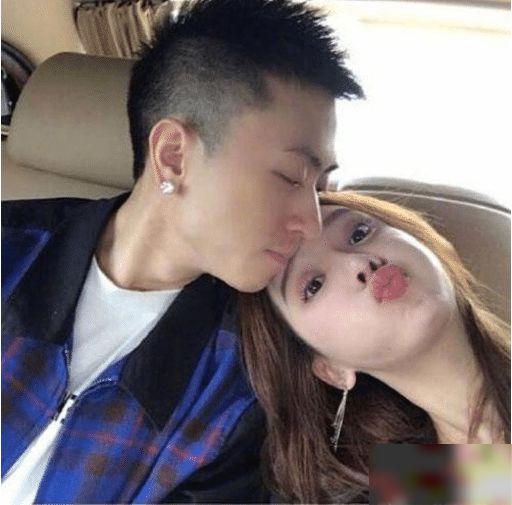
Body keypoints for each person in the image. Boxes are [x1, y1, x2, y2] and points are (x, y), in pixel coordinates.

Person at [1, 1, 364, 503]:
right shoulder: (12, 248)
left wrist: (448, 359)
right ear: (173, 155)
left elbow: (408, 479)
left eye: (320, 189)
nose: (312, 224)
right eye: (290, 177)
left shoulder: (254, 370)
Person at [238, 191, 511, 504]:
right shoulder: (413, 485)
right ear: (331, 370)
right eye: (314, 285)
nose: (358, 262)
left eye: (359, 233)